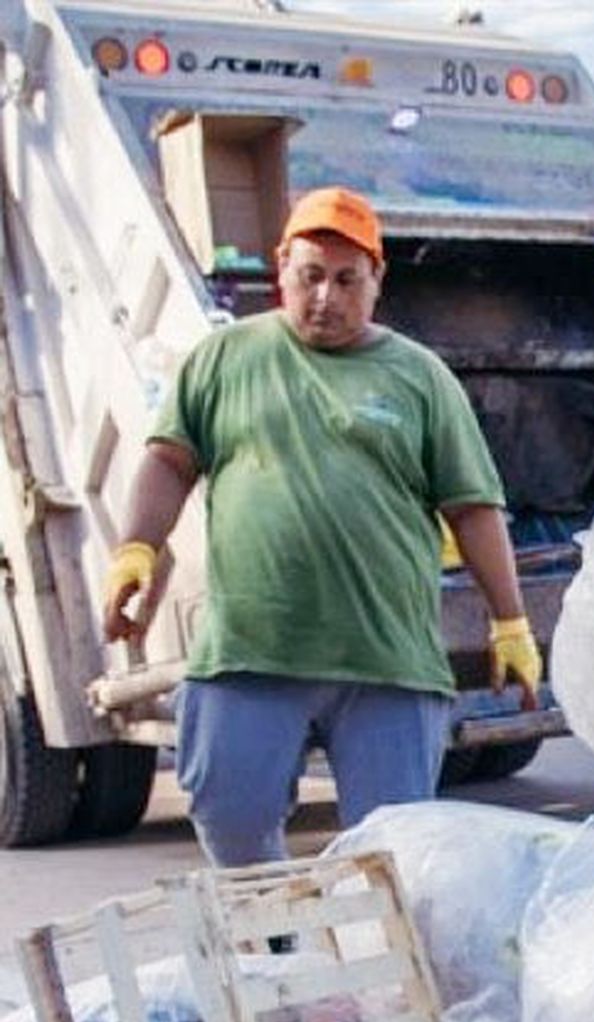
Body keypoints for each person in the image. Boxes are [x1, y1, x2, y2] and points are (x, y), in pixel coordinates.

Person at [102, 186, 542, 867]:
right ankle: (275, 955)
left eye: (346, 279)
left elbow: (472, 507)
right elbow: (168, 461)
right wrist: (136, 549)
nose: (325, 297)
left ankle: (387, 972)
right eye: (310, 276)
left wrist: (509, 622)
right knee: (230, 817)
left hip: (386, 659)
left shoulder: (420, 378)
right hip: (253, 652)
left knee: (393, 854)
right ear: (282, 268)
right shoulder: (224, 360)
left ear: (376, 281)